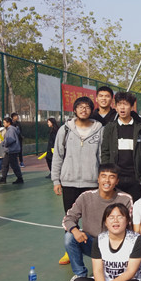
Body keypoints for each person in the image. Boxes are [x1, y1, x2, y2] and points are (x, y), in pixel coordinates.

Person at [62, 163, 133, 281]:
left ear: (117, 181)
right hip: (92, 243)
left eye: (112, 177)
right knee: (69, 237)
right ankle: (80, 275)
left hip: (115, 245)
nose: (107, 180)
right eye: (103, 176)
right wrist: (75, 230)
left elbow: (131, 227)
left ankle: (113, 271)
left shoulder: (125, 199)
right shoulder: (86, 196)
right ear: (98, 179)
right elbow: (68, 218)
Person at [52, 96, 103, 266]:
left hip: (91, 183)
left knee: (93, 221)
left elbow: (102, 156)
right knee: (70, 219)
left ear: (91, 110)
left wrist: (102, 179)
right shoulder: (65, 130)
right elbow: (58, 156)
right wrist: (56, 180)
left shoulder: (99, 129)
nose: (83, 110)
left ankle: (96, 252)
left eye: (87, 107)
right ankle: (69, 251)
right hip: (69, 182)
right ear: (74, 110)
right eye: (80, 107)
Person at [71, 203, 141, 281]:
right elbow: (97, 270)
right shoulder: (99, 240)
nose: (115, 220)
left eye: (120, 217)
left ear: (127, 221)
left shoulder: (136, 240)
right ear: (105, 222)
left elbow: (130, 272)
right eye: (111, 217)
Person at [101, 92, 141, 202]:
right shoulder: (110, 128)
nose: (122, 107)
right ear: (115, 107)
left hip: (134, 178)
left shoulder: (140, 128)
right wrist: (108, 172)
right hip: (116, 177)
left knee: (133, 208)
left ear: (132, 107)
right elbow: (105, 152)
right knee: (115, 207)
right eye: (119, 104)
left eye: (125, 104)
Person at [0, 117, 24, 184]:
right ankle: (4, 178)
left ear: (8, 123)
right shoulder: (10, 129)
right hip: (10, 150)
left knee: (14, 165)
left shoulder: (11, 130)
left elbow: (10, 139)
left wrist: (3, 143)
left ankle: (19, 178)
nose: (3, 124)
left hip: (12, 150)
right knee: (5, 164)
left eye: (4, 122)